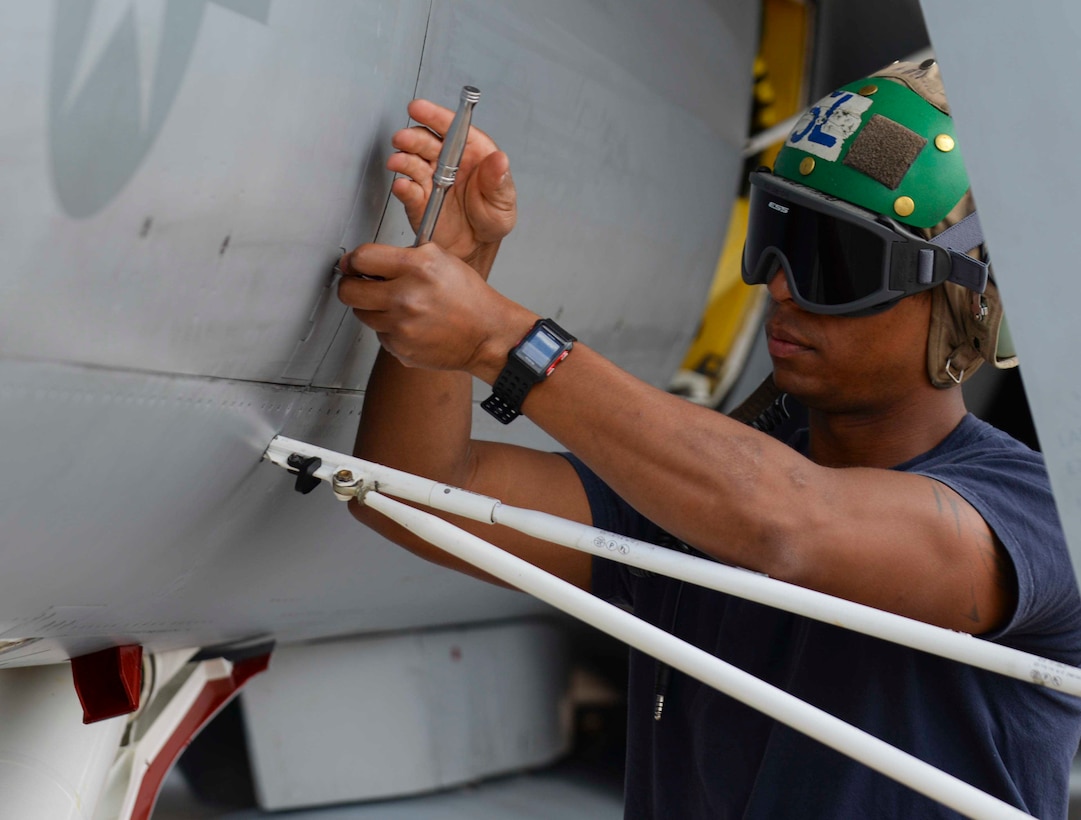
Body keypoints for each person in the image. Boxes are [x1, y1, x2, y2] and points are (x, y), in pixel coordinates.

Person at [336, 60, 1081, 818]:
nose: (780, 286)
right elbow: (416, 489)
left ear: (970, 303)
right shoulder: (697, 493)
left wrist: (497, 336)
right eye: (775, 235)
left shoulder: (1035, 517)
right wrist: (453, 273)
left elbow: (788, 527)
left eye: (835, 258)